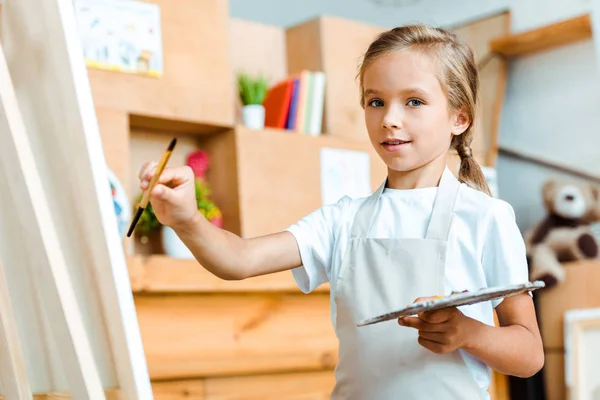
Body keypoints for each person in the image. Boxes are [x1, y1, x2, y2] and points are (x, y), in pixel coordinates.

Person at [137, 24, 544, 399]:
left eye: (414, 101)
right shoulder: (342, 220)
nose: (390, 119)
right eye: (375, 101)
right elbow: (238, 260)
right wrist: (187, 219)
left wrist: (468, 332)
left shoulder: (487, 217)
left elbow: (529, 355)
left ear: (459, 117)